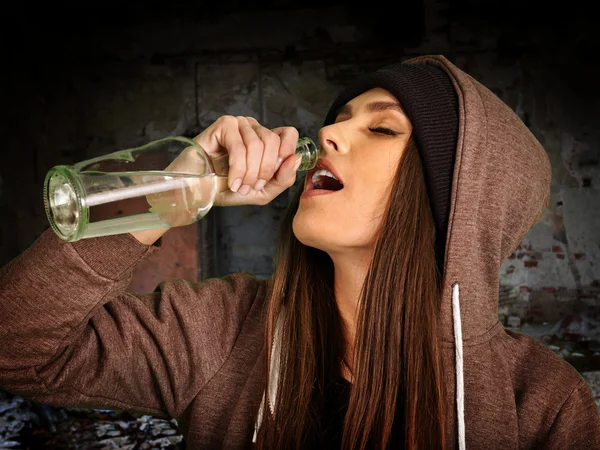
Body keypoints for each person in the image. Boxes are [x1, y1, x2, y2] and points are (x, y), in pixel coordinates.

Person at [0, 54, 598, 450]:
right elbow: (16, 347)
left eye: (382, 129)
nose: (327, 135)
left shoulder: (543, 407)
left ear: (460, 203)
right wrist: (169, 191)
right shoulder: (224, 329)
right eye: (338, 119)